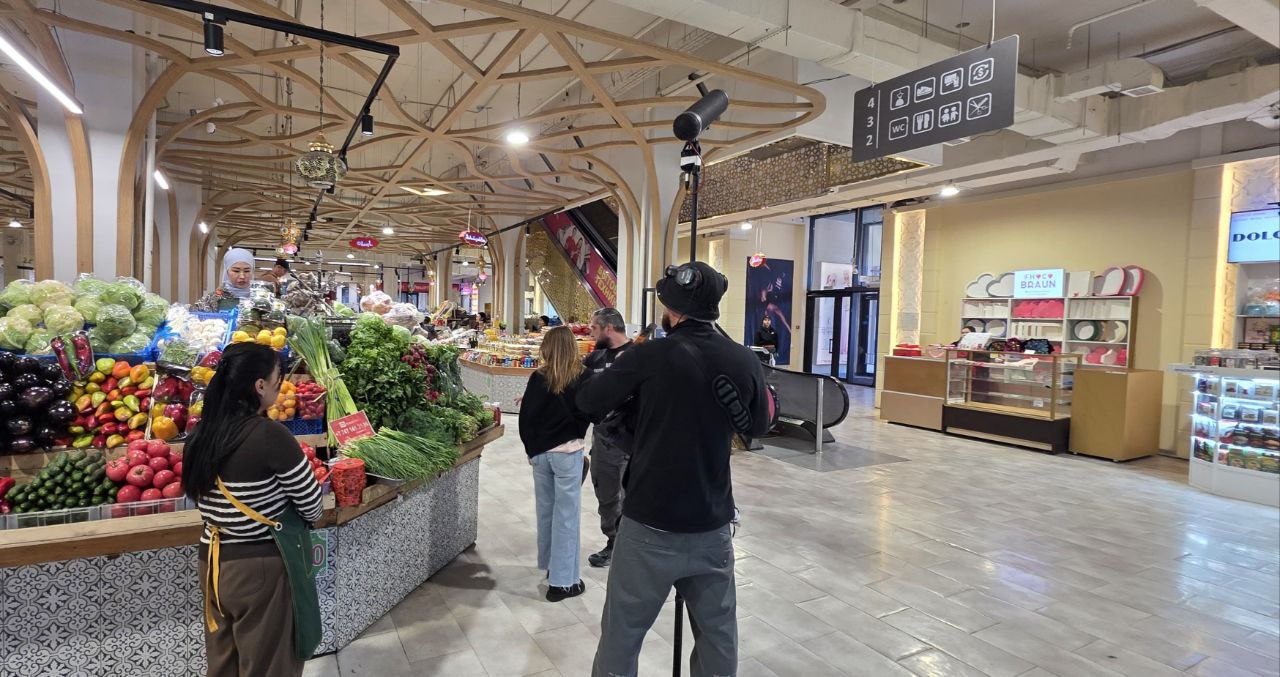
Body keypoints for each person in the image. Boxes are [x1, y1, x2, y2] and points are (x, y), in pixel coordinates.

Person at [577, 261, 771, 677]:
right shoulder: (743, 359)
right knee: (718, 637)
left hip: (650, 523)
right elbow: (758, 427)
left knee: (622, 635)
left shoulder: (648, 355)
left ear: (671, 308)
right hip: (712, 523)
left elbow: (589, 401)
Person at [185, 342, 324, 676]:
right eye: (277, 378)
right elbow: (312, 507)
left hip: (213, 563)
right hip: (259, 567)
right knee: (268, 665)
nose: (279, 384)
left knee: (224, 663)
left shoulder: (199, 434)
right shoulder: (270, 436)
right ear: (259, 385)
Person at [518, 325, 592, 602]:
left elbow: (526, 417)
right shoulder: (583, 377)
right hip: (568, 453)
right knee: (567, 517)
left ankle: (552, 565)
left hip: (541, 454)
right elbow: (591, 411)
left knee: (546, 512)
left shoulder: (538, 377)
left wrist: (531, 450)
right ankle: (562, 583)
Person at [581, 307, 635, 568]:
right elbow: (573, 384)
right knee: (606, 496)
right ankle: (614, 542)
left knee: (631, 498)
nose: (590, 332)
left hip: (632, 441)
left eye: (594, 327)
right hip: (603, 441)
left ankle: (630, 548)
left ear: (608, 328)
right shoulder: (596, 358)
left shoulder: (638, 356)